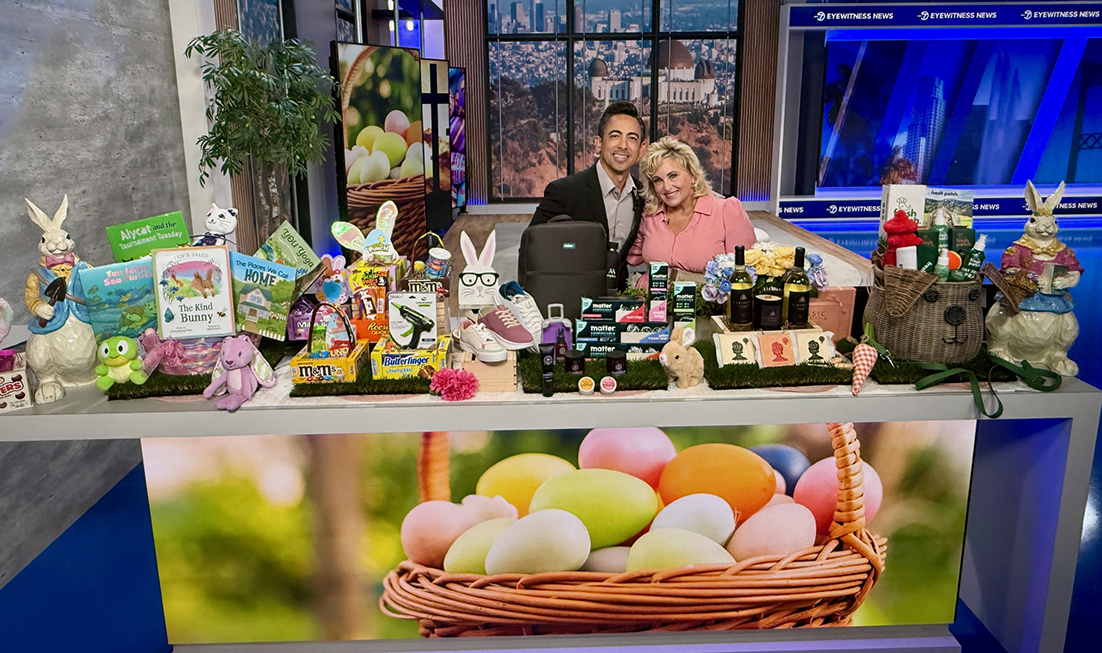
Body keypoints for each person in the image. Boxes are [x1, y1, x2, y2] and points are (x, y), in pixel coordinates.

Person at [530, 101, 646, 290]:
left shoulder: (643, 196)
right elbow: (532, 249)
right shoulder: (564, 192)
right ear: (598, 143)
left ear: (641, 149)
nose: (623, 146)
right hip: (572, 300)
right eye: (615, 136)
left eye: (632, 138)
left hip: (620, 302)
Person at [627, 137, 756, 279]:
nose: (667, 187)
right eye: (658, 180)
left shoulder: (725, 210)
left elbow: (747, 274)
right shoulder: (650, 214)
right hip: (651, 297)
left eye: (673, 176)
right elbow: (630, 257)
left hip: (701, 299)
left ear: (693, 176)